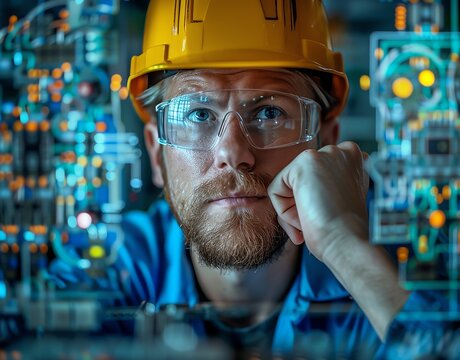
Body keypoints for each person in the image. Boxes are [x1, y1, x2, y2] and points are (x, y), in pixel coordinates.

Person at [123, 0, 413, 357]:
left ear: (327, 141)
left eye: (270, 112)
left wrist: (344, 245)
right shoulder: (114, 267)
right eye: (198, 114)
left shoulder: (401, 257)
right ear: (156, 153)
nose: (233, 154)